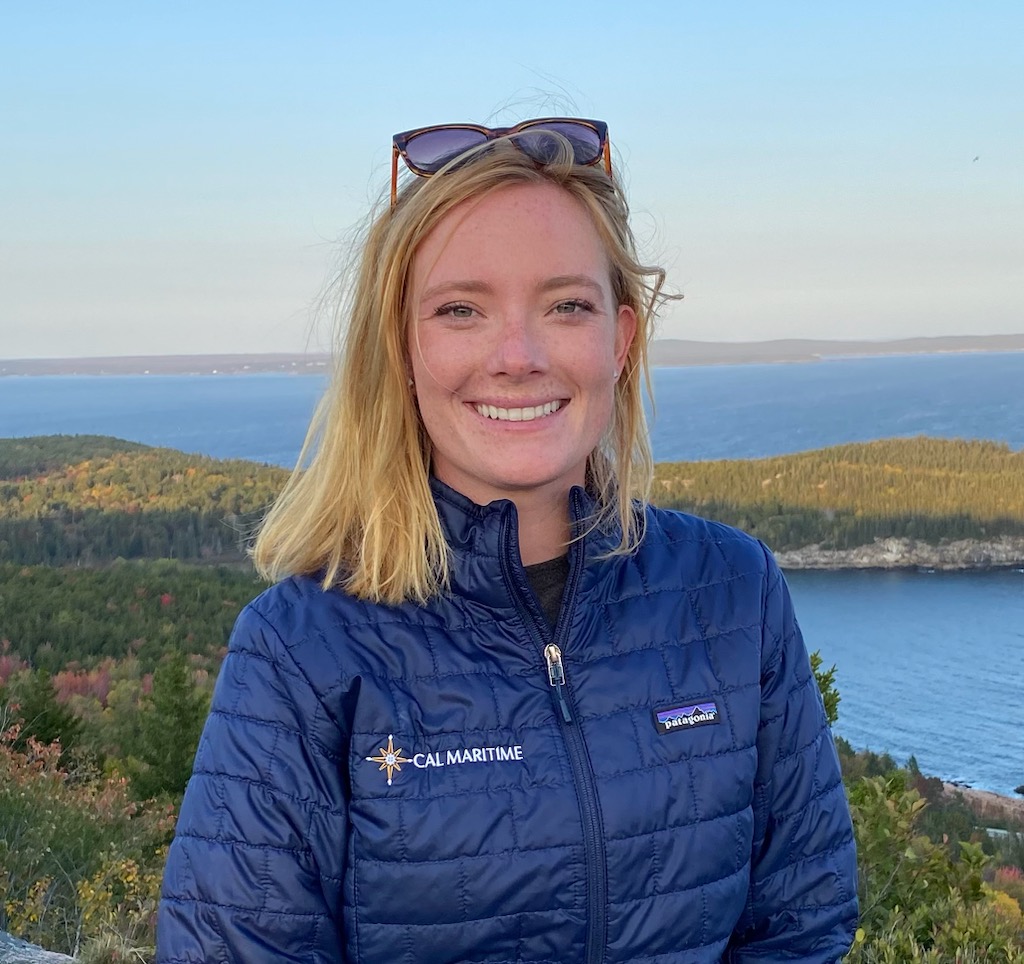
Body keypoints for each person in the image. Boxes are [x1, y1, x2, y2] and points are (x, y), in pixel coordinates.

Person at [157, 117, 858, 963]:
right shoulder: (302, 648)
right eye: (461, 310)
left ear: (621, 340)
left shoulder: (730, 592)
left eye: (567, 305)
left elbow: (802, 923)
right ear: (401, 348)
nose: (517, 355)